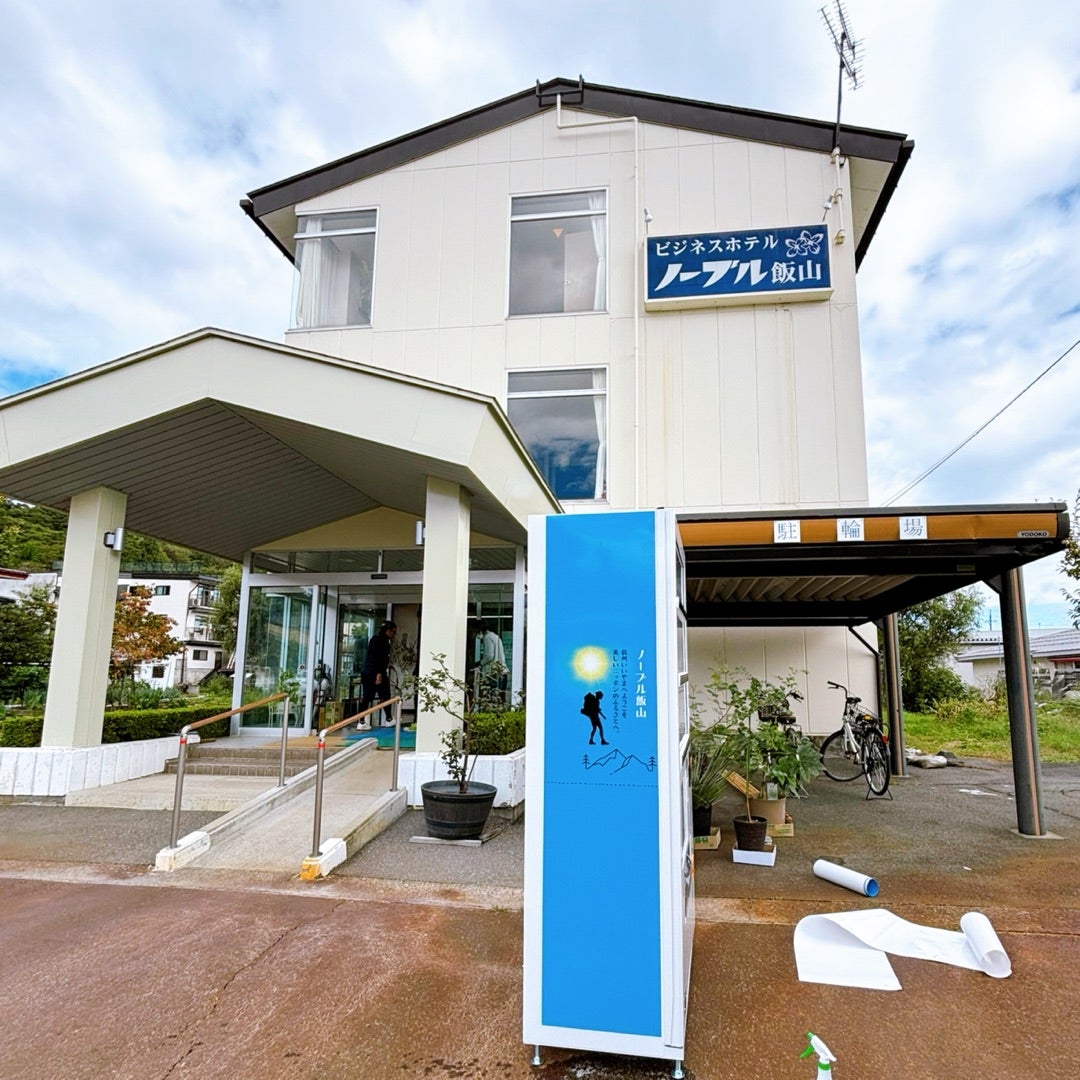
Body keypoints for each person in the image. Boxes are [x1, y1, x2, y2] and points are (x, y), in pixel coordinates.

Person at [359, 620, 396, 728]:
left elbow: (372, 656)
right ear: (388, 631)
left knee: (367, 697)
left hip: (367, 672)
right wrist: (379, 673)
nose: (393, 634)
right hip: (376, 673)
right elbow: (379, 658)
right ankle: (389, 719)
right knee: (385, 695)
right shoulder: (384, 643)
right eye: (393, 632)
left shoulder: (374, 639)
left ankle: (361, 721)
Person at [473, 619, 506, 707]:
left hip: (494, 673)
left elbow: (489, 656)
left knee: (491, 700)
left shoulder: (487, 637)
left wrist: (479, 663)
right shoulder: (496, 637)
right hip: (502, 672)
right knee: (500, 701)